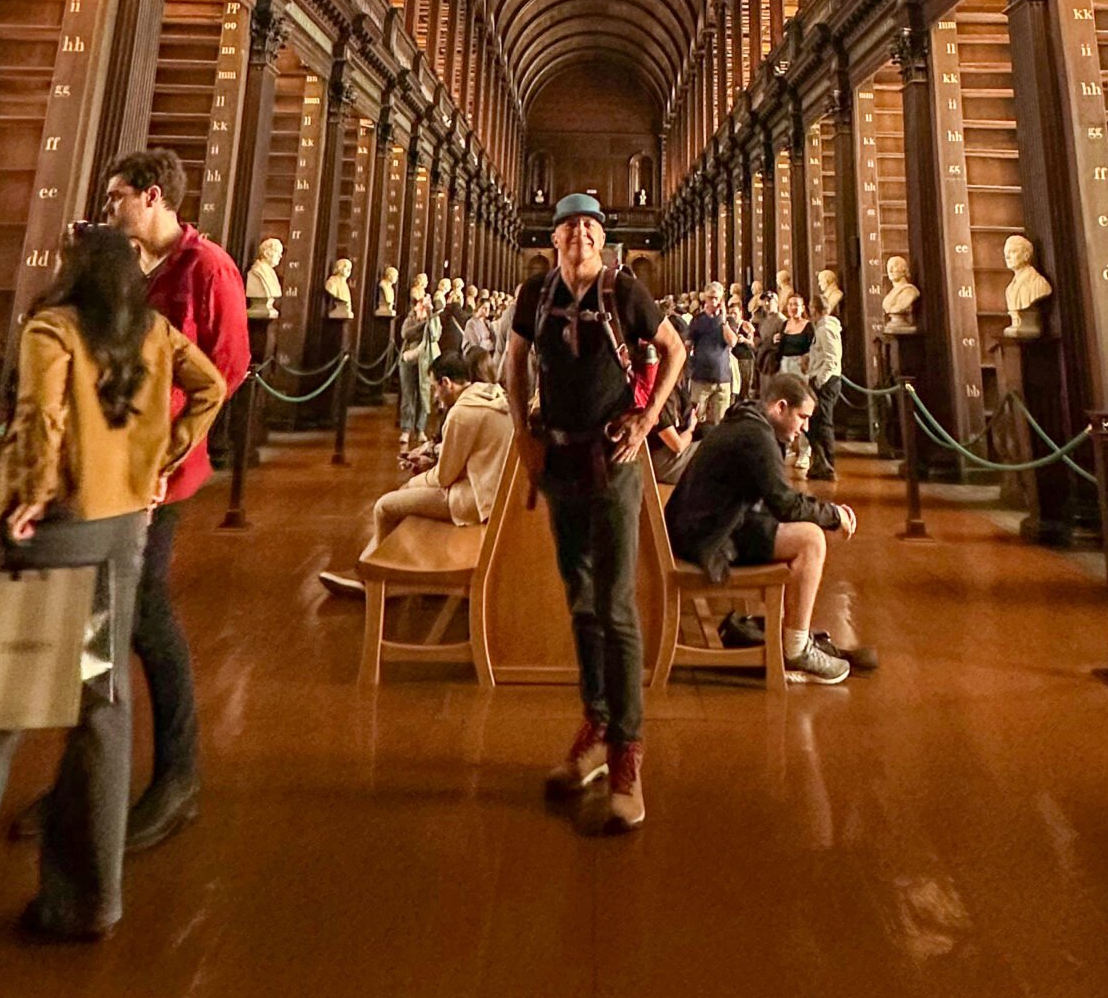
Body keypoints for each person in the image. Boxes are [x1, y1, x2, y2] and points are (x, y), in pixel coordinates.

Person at [0, 229, 227, 971]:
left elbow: (40, 418)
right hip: (122, 535)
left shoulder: (53, 329)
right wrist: (166, 460)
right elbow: (212, 385)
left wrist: (32, 498)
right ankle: (88, 902)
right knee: (100, 712)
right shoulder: (156, 332)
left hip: (57, 536)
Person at [505, 192, 686, 831]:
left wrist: (648, 417)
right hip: (559, 462)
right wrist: (523, 432)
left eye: (590, 227)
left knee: (615, 603)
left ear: (602, 240)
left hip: (615, 464)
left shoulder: (625, 291)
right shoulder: (535, 294)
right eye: (569, 226)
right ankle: (597, 721)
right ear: (553, 238)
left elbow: (674, 349)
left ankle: (627, 751)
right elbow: (513, 365)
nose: (579, 235)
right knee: (580, 597)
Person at [92, 147, 249, 849]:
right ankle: (84, 784)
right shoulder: (124, 263)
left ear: (151, 196)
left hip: (161, 474)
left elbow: (230, 368)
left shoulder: (208, 268)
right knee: (97, 614)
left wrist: (172, 451)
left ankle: (178, 777)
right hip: (103, 464)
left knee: (145, 615)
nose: (108, 208)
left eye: (116, 196)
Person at [665, 372, 857, 684]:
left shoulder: (749, 423)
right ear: (780, 407)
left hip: (702, 527)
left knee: (803, 530)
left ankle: (790, 634)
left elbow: (777, 498)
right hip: (709, 537)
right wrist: (833, 514)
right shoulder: (755, 436)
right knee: (811, 541)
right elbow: (784, 503)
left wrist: (821, 512)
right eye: (802, 417)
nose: (805, 427)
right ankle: (797, 649)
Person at [320, 352, 513, 594]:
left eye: (435, 387)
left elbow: (444, 478)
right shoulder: (492, 397)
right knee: (406, 499)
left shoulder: (462, 413)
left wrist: (415, 480)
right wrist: (428, 458)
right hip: (494, 493)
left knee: (385, 506)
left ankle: (377, 580)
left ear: (446, 383)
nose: (434, 394)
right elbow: (477, 451)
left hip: (476, 501)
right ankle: (372, 569)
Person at [805, 292, 844, 479]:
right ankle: (820, 462)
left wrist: (819, 381)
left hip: (826, 383)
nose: (809, 311)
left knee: (823, 424)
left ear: (817, 309)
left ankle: (828, 464)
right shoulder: (821, 327)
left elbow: (831, 359)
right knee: (814, 424)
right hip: (820, 379)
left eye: (811, 307)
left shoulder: (826, 328)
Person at [687, 283, 734, 427]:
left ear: (721, 301)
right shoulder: (697, 320)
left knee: (720, 423)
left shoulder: (727, 321)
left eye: (717, 298)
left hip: (722, 378)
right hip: (700, 378)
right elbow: (688, 345)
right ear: (705, 299)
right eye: (710, 298)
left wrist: (724, 320)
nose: (713, 301)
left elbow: (732, 342)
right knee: (696, 420)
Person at [398, 291, 434, 445]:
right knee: (408, 395)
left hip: (425, 362)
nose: (422, 307)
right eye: (420, 304)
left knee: (423, 395)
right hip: (408, 361)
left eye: (424, 305)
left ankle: (420, 429)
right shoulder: (409, 319)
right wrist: (422, 325)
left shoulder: (432, 320)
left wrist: (431, 316)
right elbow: (406, 333)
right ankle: (406, 429)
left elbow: (434, 334)